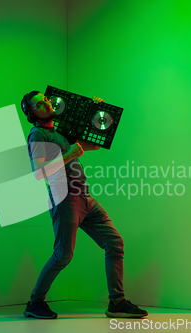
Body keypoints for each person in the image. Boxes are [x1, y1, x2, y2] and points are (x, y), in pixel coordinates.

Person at [20, 90, 148, 319]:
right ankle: (34, 303)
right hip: (64, 198)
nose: (46, 103)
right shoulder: (38, 135)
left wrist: (95, 111)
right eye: (38, 104)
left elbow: (94, 145)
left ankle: (117, 302)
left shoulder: (59, 131)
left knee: (114, 242)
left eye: (46, 99)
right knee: (62, 255)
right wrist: (69, 154)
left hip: (84, 197)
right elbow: (38, 173)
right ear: (31, 113)